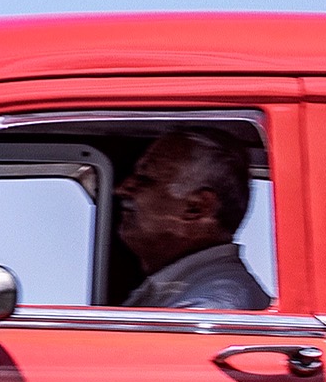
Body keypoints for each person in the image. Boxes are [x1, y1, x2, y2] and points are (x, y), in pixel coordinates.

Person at [116, 131, 273, 311]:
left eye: (143, 179)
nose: (122, 189)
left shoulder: (212, 302)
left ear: (196, 207)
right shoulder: (181, 287)